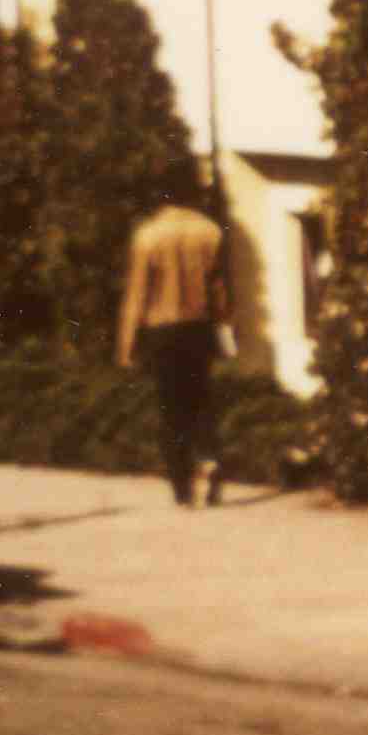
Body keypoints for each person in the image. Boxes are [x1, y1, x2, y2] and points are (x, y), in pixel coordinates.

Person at [115, 186, 237, 505]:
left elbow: (137, 294)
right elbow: (220, 289)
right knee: (202, 401)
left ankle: (182, 488)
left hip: (162, 330)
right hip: (200, 327)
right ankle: (209, 458)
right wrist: (226, 329)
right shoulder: (209, 231)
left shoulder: (148, 236)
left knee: (171, 409)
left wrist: (126, 344)